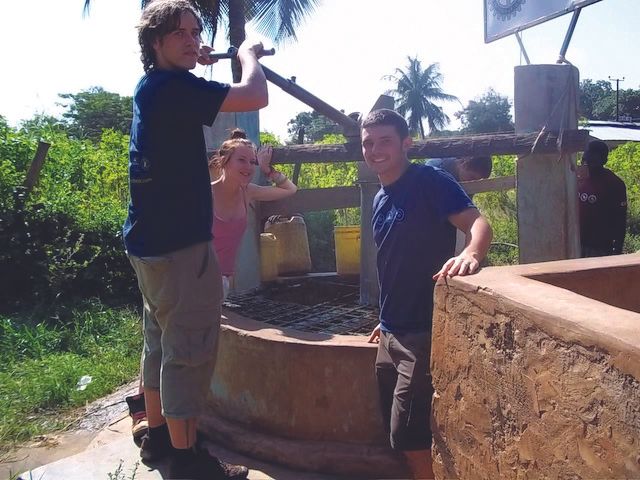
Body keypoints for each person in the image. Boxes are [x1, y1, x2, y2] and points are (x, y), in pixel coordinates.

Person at [123, 0, 268, 478]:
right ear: (154, 42)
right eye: (179, 34)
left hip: (148, 243)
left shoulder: (153, 86)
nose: (192, 40)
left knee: (160, 344)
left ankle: (160, 440)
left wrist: (193, 60)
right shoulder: (175, 87)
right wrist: (248, 53)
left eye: (195, 31)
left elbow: (194, 84)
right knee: (189, 351)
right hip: (182, 246)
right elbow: (254, 96)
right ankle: (189, 463)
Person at [361, 109, 492, 480]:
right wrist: (383, 319)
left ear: (406, 143)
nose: (375, 150)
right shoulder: (379, 198)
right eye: (368, 143)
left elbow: (478, 222)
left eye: (385, 140)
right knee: (397, 432)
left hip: (421, 330)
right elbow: (392, 265)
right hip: (391, 332)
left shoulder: (429, 180)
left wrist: (471, 252)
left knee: (411, 435)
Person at [209, 129, 297, 298]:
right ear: (224, 160)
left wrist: (268, 169)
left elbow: (290, 189)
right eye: (241, 160)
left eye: (252, 161)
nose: (248, 167)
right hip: (194, 279)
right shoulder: (204, 194)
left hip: (222, 282)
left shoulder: (248, 192)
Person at [577, 140, 627, 257]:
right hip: (574, 243)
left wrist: (617, 249)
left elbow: (620, 219)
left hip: (599, 248)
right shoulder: (574, 179)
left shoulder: (614, 184)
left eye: (591, 162)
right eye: (584, 161)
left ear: (603, 161)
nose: (587, 165)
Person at [425, 156, 492, 183]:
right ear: (464, 164)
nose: (473, 182)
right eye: (472, 177)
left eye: (477, 181)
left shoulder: (465, 179)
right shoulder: (434, 167)